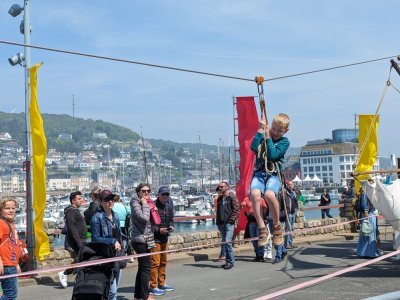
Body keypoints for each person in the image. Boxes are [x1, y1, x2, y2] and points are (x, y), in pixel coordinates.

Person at [249, 113, 290, 246]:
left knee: (269, 194)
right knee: (254, 194)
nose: (276, 132)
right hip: (260, 172)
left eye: (279, 131)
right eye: (274, 129)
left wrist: (268, 137)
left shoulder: (284, 142)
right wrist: (260, 130)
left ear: (285, 131)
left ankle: (277, 227)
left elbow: (273, 155)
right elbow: (253, 147)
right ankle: (262, 228)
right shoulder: (264, 135)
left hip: (273, 173)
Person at [91, 189, 123, 300]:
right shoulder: (97, 217)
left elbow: (119, 234)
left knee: (114, 289)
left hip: (116, 255)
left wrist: (125, 248)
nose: (111, 201)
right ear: (101, 202)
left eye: (112, 199)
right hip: (105, 256)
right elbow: (95, 239)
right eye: (107, 199)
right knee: (111, 290)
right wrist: (112, 241)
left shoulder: (116, 216)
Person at [130, 183, 156, 300]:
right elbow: (144, 218)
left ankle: (137, 295)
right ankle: (145, 296)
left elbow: (152, 222)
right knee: (146, 267)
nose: (146, 193)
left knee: (143, 267)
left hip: (148, 237)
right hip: (139, 239)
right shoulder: (135, 202)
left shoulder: (149, 202)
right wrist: (145, 204)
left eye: (148, 191)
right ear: (138, 192)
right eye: (144, 191)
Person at [149, 186, 175, 295]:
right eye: (163, 194)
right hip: (155, 238)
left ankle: (162, 283)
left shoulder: (168, 206)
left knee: (163, 262)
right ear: (158, 195)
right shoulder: (152, 207)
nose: (165, 196)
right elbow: (148, 225)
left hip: (165, 237)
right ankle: (153, 286)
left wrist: (171, 226)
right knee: (155, 262)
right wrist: (159, 230)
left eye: (167, 194)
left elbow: (171, 220)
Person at [58, 191, 87, 288]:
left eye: (81, 198)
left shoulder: (75, 211)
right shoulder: (71, 211)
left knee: (83, 259)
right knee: (82, 259)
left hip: (81, 240)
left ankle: (79, 279)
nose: (81, 200)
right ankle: (65, 273)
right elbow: (72, 228)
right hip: (76, 241)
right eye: (79, 199)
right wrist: (79, 243)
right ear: (73, 201)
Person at [0, 198, 22, 300]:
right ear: (1, 210)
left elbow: (13, 245)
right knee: (10, 295)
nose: (11, 210)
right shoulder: (2, 223)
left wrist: (16, 264)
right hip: (6, 264)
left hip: (11, 264)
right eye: (7, 208)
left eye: (13, 208)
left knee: (10, 295)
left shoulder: (10, 224)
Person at [215, 181, 240, 270]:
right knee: (225, 242)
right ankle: (228, 261)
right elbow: (218, 212)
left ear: (227, 187)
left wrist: (231, 220)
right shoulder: (219, 199)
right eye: (219, 187)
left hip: (229, 223)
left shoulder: (231, 197)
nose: (220, 188)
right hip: (221, 223)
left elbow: (237, 209)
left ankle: (231, 262)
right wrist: (217, 222)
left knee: (227, 241)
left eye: (222, 186)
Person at [357, 188, 381, 258]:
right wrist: (366, 211)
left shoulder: (372, 192)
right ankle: (369, 252)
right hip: (369, 215)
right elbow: (364, 203)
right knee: (368, 233)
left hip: (372, 214)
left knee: (368, 233)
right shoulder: (365, 192)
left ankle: (366, 252)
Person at [112, 194, 133, 259]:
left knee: (116, 240)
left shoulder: (111, 206)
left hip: (114, 225)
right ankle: (130, 256)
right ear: (119, 199)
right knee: (125, 239)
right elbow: (129, 212)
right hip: (124, 224)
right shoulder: (123, 205)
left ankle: (117, 255)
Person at [285, 181, 298, 249]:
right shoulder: (286, 192)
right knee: (287, 229)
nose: (290, 186)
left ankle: (291, 242)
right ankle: (286, 243)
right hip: (289, 213)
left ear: (293, 185)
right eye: (288, 184)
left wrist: (296, 210)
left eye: (291, 184)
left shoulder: (294, 192)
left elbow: (295, 202)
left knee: (291, 228)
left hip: (293, 213)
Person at [214, 186, 225, 261]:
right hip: (220, 220)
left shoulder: (218, 199)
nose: (220, 192)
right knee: (224, 238)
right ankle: (223, 254)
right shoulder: (217, 199)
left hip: (223, 220)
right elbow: (217, 209)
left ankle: (223, 254)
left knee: (224, 238)